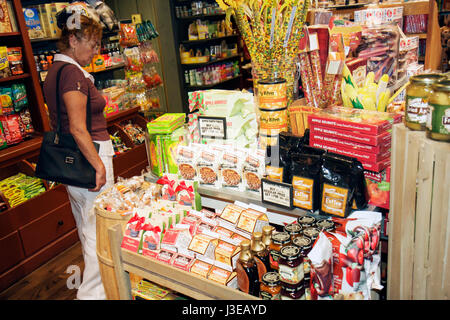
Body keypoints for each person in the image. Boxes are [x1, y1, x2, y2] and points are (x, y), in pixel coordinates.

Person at [43, 12, 114, 300]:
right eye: (93, 43)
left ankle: (102, 289)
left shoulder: (56, 70)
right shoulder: (72, 73)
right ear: (73, 40)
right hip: (89, 160)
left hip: (75, 165)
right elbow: (76, 127)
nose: (96, 51)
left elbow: (57, 122)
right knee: (99, 233)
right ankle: (92, 294)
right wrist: (99, 166)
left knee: (88, 229)